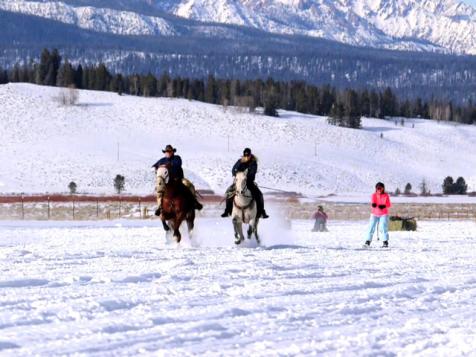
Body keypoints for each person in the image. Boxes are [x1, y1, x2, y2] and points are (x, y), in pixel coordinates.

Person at [152, 144, 202, 215]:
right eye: (166, 152)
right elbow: (155, 166)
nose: (168, 153)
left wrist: (169, 166)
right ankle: (160, 207)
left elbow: (178, 165)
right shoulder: (162, 160)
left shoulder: (177, 158)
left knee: (189, 185)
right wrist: (155, 168)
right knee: (159, 191)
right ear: (165, 153)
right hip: (166, 181)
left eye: (169, 151)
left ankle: (194, 202)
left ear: (172, 152)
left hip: (178, 179)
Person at [221, 147, 269, 219]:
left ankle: (261, 212)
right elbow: (234, 169)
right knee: (229, 192)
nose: (246, 157)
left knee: (259, 194)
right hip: (238, 182)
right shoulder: (240, 161)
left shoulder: (253, 163)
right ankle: (227, 211)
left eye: (248, 156)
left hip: (249, 182)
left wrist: (246, 177)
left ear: (250, 155)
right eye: (245, 156)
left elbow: (253, 172)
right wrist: (237, 173)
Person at [364, 182, 391, 248]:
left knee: (383, 227)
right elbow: (373, 202)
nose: (379, 189)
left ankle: (385, 242)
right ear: (376, 188)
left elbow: (389, 204)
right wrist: (373, 204)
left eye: (380, 188)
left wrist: (384, 206)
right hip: (374, 214)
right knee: (371, 227)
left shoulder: (386, 195)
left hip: (383, 214)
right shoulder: (373, 195)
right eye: (377, 188)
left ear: (383, 188)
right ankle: (368, 241)